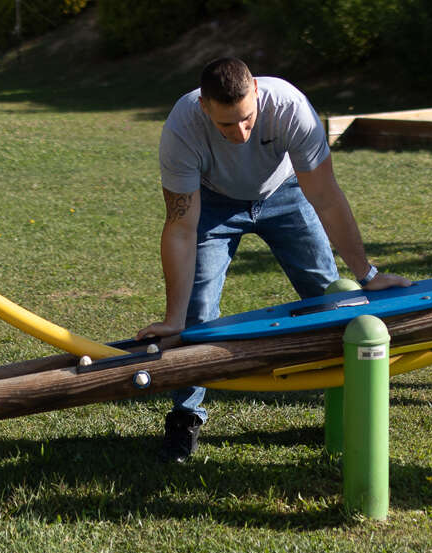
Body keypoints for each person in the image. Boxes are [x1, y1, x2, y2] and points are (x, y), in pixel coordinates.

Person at [136, 57, 409, 462]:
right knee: (197, 314)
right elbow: (180, 227)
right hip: (213, 205)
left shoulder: (290, 107)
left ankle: (355, 399)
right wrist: (173, 318)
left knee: (332, 299)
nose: (241, 132)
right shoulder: (182, 126)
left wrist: (366, 274)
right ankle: (185, 415)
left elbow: (327, 197)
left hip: (285, 192)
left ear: (258, 95)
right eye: (227, 124)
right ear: (204, 107)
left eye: (247, 119)